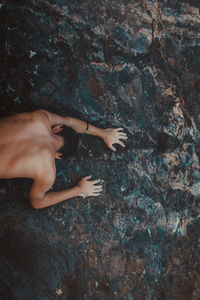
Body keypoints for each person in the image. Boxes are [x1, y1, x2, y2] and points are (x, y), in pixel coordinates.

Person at [0, 110, 128, 209]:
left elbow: (70, 122)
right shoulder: (47, 171)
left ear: (57, 128)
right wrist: (79, 190)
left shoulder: (40, 117)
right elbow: (37, 202)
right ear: (57, 156)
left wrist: (103, 133)